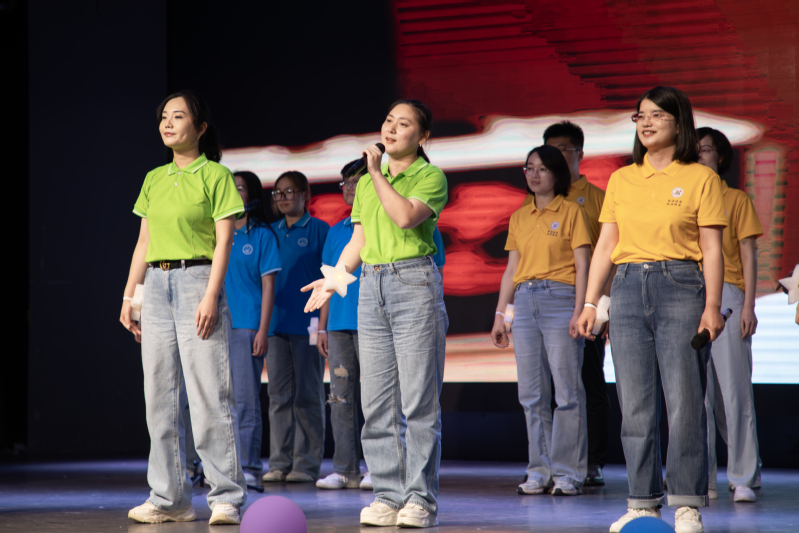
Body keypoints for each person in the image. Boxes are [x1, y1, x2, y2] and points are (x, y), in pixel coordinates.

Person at [577, 86, 728, 533]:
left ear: (679, 124)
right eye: (640, 115)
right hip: (626, 287)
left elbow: (712, 248)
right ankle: (642, 501)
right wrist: (591, 301)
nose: (646, 122)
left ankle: (686, 502)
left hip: (680, 284)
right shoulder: (623, 178)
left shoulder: (701, 178)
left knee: (684, 402)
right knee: (635, 405)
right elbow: (607, 243)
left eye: (657, 115)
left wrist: (713, 305)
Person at [302, 99, 448, 528]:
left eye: (404, 124)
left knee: (418, 403)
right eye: (388, 120)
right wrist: (333, 280)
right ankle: (387, 494)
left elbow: (404, 217)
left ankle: (419, 499)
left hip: (413, 283)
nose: (391, 128)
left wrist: (377, 173)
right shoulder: (368, 183)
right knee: (377, 402)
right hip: (371, 285)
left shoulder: (429, 176)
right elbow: (358, 242)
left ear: (423, 137)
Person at [120, 90, 247, 525]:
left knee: (210, 393)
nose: (168, 123)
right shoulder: (154, 178)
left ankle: (225, 496)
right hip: (156, 285)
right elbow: (144, 241)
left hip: (197, 280)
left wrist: (211, 293)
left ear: (201, 127)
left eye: (178, 116)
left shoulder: (216, 175)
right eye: (164, 117)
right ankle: (169, 498)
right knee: (159, 397)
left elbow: (225, 240)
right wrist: (130, 295)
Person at [492, 145, 592, 496]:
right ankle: (540, 470)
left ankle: (568, 473)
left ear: (556, 173)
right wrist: (501, 314)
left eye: (542, 168)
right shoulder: (520, 216)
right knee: (531, 394)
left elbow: (583, 264)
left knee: (567, 392)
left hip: (561, 299)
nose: (534, 174)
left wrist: (581, 310)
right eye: (529, 167)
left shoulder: (572, 211)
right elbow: (511, 270)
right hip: (525, 301)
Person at [522, 121, 610, 486]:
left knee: (587, 382)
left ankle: (590, 462)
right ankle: (547, 466)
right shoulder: (530, 204)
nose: (553, 157)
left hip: (586, 304)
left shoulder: (597, 198)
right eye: (548, 150)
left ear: (579, 154)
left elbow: (608, 255)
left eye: (562, 149)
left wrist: (600, 305)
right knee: (542, 389)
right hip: (541, 305)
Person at [696, 127, 763, 503]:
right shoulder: (685, 198)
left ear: (720, 157)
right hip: (688, 295)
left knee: (734, 393)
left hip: (728, 295)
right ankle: (701, 479)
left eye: (706, 150)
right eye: (694, 149)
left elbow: (749, 254)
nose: (699, 155)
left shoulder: (735, 199)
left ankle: (742, 477)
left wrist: (749, 305)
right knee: (698, 398)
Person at [262, 171, 330, 484]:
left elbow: (329, 280)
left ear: (305, 195)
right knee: (278, 396)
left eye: (290, 192)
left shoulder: (320, 230)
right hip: (275, 324)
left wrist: (323, 325)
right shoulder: (270, 232)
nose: (283, 197)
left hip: (309, 324)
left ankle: (306, 464)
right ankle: (279, 462)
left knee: (308, 394)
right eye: (278, 193)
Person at [315, 161, 371, 491]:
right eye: (345, 183)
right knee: (339, 398)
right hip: (338, 325)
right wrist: (322, 327)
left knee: (375, 399)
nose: (349, 188)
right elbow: (328, 281)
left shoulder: (379, 224)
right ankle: (345, 469)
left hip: (372, 322)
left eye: (356, 182)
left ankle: (379, 468)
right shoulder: (336, 231)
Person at [225, 170, 282, 486]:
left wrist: (263, 330)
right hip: (217, 327)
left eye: (240, 188)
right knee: (220, 401)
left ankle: (248, 466)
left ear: (252, 194)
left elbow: (269, 287)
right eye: (230, 187)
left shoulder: (262, 236)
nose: (234, 192)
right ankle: (223, 466)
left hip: (247, 327)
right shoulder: (218, 233)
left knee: (246, 401)